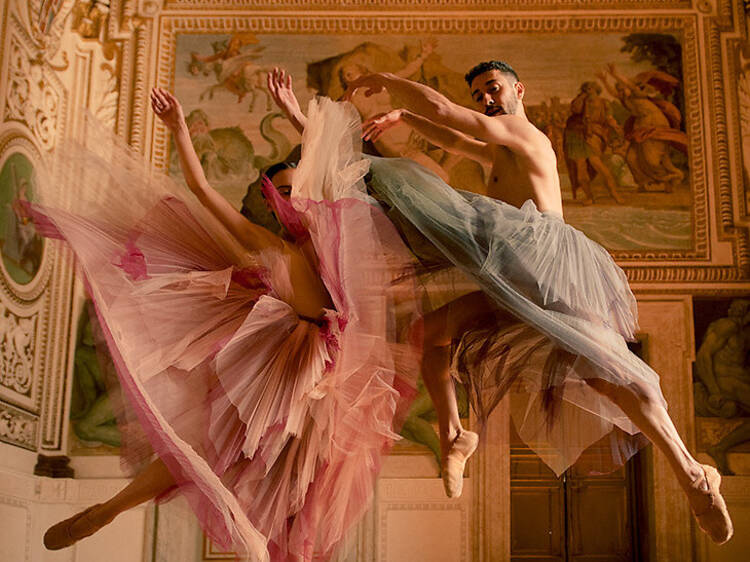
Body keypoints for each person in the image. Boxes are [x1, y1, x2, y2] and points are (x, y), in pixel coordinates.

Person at [338, 60, 732, 544]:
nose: (486, 98)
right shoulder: (502, 149)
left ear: (518, 89)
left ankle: (694, 474)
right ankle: (455, 435)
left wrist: (391, 83)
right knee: (429, 335)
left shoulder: (528, 137)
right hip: (513, 274)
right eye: (479, 93)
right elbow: (457, 140)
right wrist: (406, 118)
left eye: (493, 88)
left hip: (545, 267)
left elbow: (446, 111)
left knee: (608, 374)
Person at [33, 83, 422, 560]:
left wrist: (296, 113)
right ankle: (112, 509)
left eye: (296, 188)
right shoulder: (278, 245)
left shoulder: (336, 230)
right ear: (270, 199)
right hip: (291, 357)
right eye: (281, 191)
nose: (290, 198)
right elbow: (201, 190)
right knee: (210, 443)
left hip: (321, 362)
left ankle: (266, 546)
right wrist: (179, 130)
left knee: (295, 473)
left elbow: (337, 168)